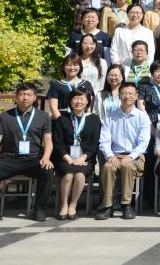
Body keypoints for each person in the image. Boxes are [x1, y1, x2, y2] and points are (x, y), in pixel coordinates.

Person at [0, 82, 55, 223]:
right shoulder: (5, 116)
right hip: (9, 159)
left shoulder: (43, 116)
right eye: (22, 94)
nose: (25, 98)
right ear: (16, 97)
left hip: (33, 159)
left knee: (47, 171)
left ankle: (39, 209)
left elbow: (48, 140)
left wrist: (46, 158)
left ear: (34, 97)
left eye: (29, 94)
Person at [95, 82, 151, 220]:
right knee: (107, 167)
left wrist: (130, 157)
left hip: (135, 156)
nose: (127, 96)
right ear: (119, 96)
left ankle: (126, 205)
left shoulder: (142, 116)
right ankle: (107, 206)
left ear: (136, 96)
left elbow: (143, 143)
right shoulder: (110, 116)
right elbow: (104, 141)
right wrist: (110, 155)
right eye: (124, 93)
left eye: (130, 93)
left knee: (127, 166)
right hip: (115, 155)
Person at [51, 88, 101, 220]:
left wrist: (83, 157)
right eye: (75, 98)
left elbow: (95, 143)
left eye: (82, 98)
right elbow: (57, 142)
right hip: (64, 158)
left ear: (88, 101)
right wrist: (68, 159)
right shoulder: (62, 118)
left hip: (85, 159)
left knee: (79, 175)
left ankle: (73, 205)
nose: (79, 101)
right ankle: (64, 205)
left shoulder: (94, 119)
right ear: (70, 101)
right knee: (68, 175)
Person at [47, 54, 96, 120]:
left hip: (81, 120)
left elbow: (88, 107)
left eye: (75, 65)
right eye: (68, 65)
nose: (72, 68)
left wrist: (86, 121)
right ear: (63, 67)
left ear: (80, 67)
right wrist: (61, 122)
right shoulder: (56, 84)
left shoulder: (87, 84)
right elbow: (53, 108)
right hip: (61, 118)